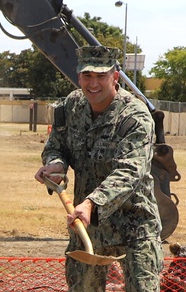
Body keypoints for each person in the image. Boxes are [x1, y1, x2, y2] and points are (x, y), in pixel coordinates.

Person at [35, 46, 163, 291]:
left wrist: (92, 203)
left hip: (134, 227)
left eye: (101, 76)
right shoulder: (71, 107)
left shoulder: (134, 116)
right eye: (87, 76)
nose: (93, 83)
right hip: (88, 229)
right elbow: (56, 145)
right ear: (79, 77)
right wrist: (55, 164)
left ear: (115, 77)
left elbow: (129, 172)